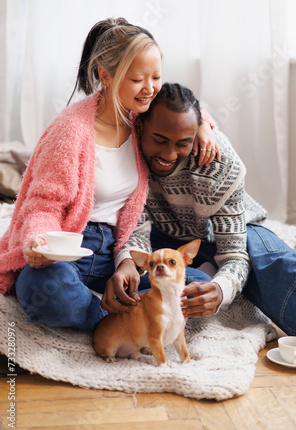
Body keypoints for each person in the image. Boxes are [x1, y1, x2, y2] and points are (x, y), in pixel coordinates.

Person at [0, 19, 213, 331]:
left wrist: (205, 124)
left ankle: (109, 306)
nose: (150, 88)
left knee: (195, 282)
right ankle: (112, 319)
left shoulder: (140, 121)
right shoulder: (71, 130)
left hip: (114, 250)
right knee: (50, 293)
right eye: (138, 78)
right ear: (105, 75)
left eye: (156, 76)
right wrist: (38, 243)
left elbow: (178, 110)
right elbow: (43, 206)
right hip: (65, 251)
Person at [117, 82, 296, 365]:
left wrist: (220, 291)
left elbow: (234, 254)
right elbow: (133, 231)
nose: (169, 154)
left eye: (183, 142)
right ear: (141, 127)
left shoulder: (219, 164)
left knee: (275, 263)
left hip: (225, 228)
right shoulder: (125, 156)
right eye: (160, 140)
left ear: (197, 134)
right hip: (164, 236)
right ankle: (204, 269)